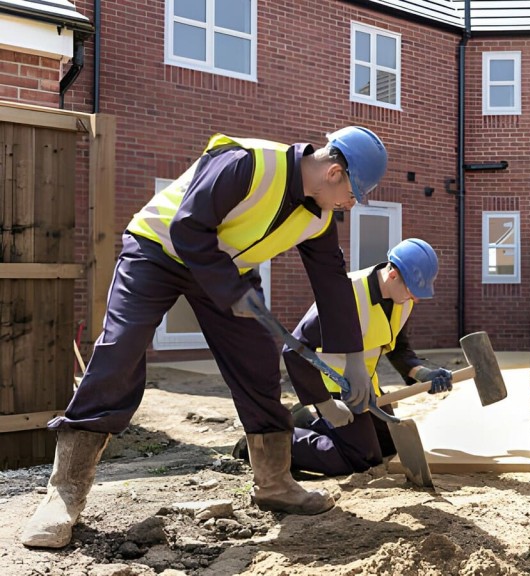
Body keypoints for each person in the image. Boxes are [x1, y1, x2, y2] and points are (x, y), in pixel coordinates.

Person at [21, 127, 388, 549]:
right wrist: (233, 294)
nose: (352, 205)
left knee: (259, 366)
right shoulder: (247, 162)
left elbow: (332, 284)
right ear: (335, 173)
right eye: (355, 194)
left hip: (226, 269)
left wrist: (355, 360)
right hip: (158, 251)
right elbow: (188, 228)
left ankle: (274, 483)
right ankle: (64, 495)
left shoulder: (319, 217)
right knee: (120, 351)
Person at [233, 238, 453, 476]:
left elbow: (399, 351)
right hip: (331, 387)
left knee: (388, 445)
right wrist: (326, 405)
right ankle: (264, 441)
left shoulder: (402, 300)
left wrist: (423, 373)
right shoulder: (345, 293)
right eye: (412, 290)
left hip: (365, 388)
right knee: (360, 457)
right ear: (392, 275)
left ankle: (307, 420)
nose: (416, 299)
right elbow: (294, 351)